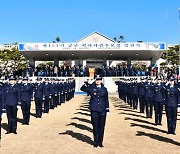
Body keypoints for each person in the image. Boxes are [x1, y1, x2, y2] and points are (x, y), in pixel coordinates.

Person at [80, 76, 109, 148]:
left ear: (101, 81)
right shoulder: (91, 88)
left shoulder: (104, 89)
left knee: (101, 127)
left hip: (102, 109)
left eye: (99, 80)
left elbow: (106, 99)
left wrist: (107, 109)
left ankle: (100, 142)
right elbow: (82, 89)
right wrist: (87, 83)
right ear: (95, 81)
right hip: (94, 109)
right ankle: (96, 142)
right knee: (95, 126)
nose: (98, 81)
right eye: (97, 80)